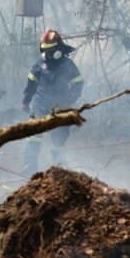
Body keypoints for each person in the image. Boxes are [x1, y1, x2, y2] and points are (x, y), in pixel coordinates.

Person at [22, 28, 84, 175]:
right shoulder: (38, 66)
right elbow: (31, 85)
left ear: (59, 49)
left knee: (58, 138)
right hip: (40, 104)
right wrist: (26, 101)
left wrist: (70, 98)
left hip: (60, 106)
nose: (47, 53)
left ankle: (59, 168)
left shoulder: (67, 65)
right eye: (44, 50)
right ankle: (30, 167)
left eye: (50, 50)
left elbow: (78, 82)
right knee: (33, 135)